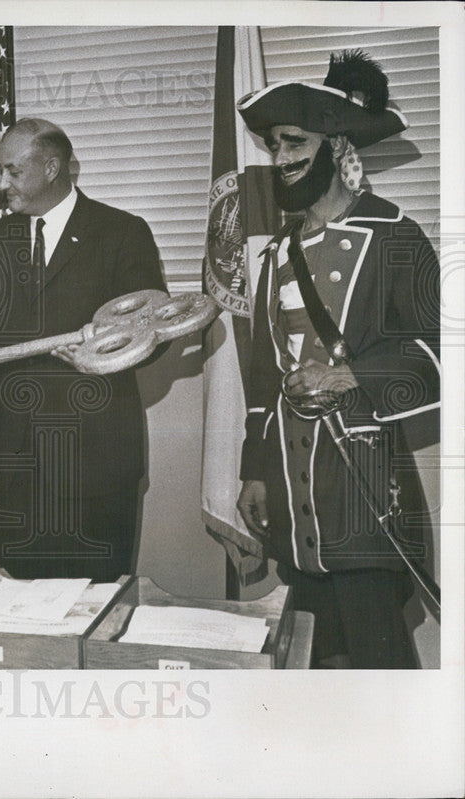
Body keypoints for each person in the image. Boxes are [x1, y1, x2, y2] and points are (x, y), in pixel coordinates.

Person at [235, 51, 440, 668]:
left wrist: (349, 374)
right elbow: (262, 376)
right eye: (274, 145)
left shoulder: (394, 233)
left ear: (336, 145)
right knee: (311, 667)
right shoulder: (273, 255)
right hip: (295, 495)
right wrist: (254, 469)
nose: (282, 156)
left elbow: (444, 347)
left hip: (365, 488)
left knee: (379, 671)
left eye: (294, 140)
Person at [0, 118, 166, 582]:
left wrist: (102, 353)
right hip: (16, 466)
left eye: (13, 172)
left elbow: (155, 331)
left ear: (53, 168)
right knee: (19, 607)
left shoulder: (121, 232)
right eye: (1, 170)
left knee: (93, 606)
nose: (1, 184)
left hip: (94, 464)